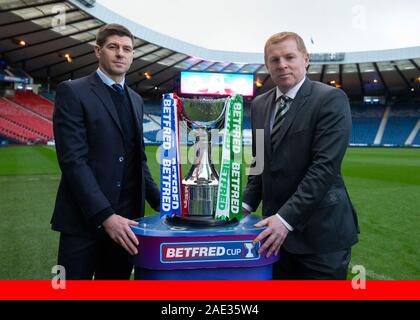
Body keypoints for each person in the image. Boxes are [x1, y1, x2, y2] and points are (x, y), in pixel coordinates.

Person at [243, 32, 359, 279]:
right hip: (273, 239)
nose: (282, 64)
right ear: (267, 65)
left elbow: (324, 168)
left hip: (320, 239)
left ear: (305, 59)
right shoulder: (260, 104)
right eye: (274, 60)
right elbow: (259, 162)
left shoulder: (330, 99)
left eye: (289, 57)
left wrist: (284, 220)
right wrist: (243, 206)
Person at [51, 24, 160, 280]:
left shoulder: (135, 99)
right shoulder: (72, 91)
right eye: (113, 47)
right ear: (98, 51)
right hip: (84, 220)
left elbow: (138, 160)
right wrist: (106, 216)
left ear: (133, 55)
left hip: (128, 222)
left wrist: (164, 204)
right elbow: (73, 161)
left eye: (127, 49)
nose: (120, 54)